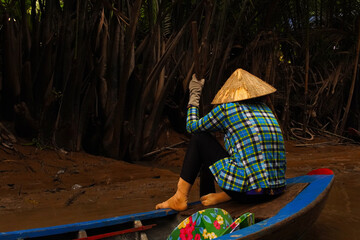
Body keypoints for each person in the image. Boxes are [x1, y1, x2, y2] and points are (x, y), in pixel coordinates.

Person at [155, 68, 286, 211]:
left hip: (249, 194)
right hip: (277, 188)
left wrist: (194, 96)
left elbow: (192, 127)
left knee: (200, 138)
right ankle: (216, 197)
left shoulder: (228, 109)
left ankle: (180, 197)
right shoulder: (266, 110)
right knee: (212, 153)